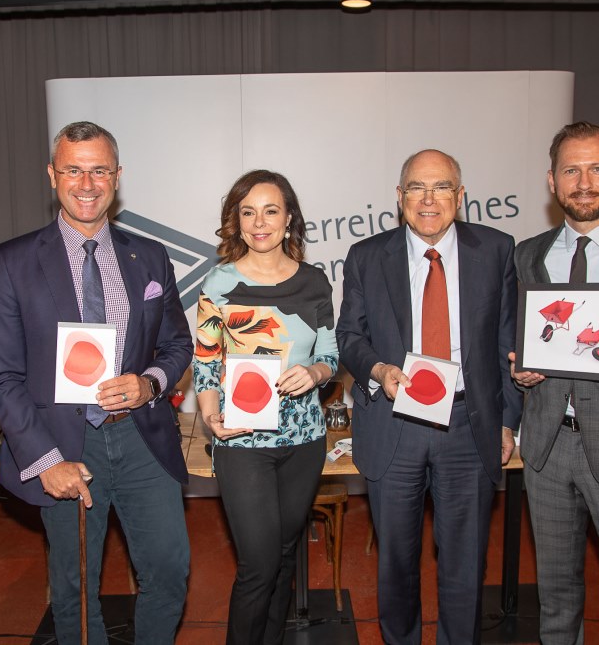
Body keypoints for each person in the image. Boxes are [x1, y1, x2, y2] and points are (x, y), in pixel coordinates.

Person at [0, 121, 192, 645]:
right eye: (73, 169)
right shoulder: (13, 261)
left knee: (169, 571)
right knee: (75, 589)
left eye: (99, 170)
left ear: (117, 177)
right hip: (63, 445)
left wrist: (148, 384)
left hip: (142, 438)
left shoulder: (150, 256)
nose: (87, 182)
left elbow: (177, 346)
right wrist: (45, 460)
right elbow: (2, 375)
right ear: (52, 176)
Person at [336, 149, 522, 644]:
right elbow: (349, 337)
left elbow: (510, 341)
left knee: (465, 563)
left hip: (468, 423)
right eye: (416, 187)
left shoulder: (498, 250)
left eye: (441, 187)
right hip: (395, 421)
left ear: (460, 197)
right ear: (399, 198)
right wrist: (378, 369)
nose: (428, 198)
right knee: (396, 563)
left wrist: (507, 421)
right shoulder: (367, 256)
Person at [193, 169, 338, 645]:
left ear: (289, 217)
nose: (260, 222)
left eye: (271, 210)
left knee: (284, 553)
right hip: (243, 440)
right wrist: (212, 419)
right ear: (236, 220)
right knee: (258, 564)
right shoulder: (218, 282)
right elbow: (206, 360)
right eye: (248, 212)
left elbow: (330, 357)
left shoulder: (315, 284)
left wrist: (315, 374)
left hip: (304, 440)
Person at [510, 121, 599, 644]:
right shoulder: (527, 254)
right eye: (572, 170)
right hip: (547, 444)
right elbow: (521, 337)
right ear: (552, 181)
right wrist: (518, 369)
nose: (584, 181)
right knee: (557, 595)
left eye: (595, 168)